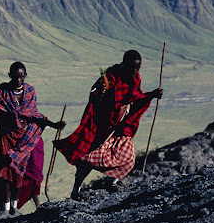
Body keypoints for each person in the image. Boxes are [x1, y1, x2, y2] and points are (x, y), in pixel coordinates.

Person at [54, 50, 163, 199]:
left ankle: (112, 182)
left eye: (138, 68)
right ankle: (75, 190)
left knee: (128, 156)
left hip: (122, 123)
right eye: (132, 67)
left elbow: (136, 98)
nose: (135, 71)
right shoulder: (111, 76)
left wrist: (152, 95)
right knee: (87, 157)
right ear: (125, 64)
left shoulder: (135, 78)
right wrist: (102, 93)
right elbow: (97, 97)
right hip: (104, 125)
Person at [0, 62, 64, 217]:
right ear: (10, 76)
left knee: (19, 174)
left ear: (25, 76)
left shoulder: (30, 91)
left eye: (21, 77)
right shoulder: (3, 91)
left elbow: (34, 115)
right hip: (7, 137)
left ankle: (14, 206)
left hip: (24, 140)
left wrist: (54, 125)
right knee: (5, 173)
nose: (18, 80)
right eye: (15, 77)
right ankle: (5, 210)